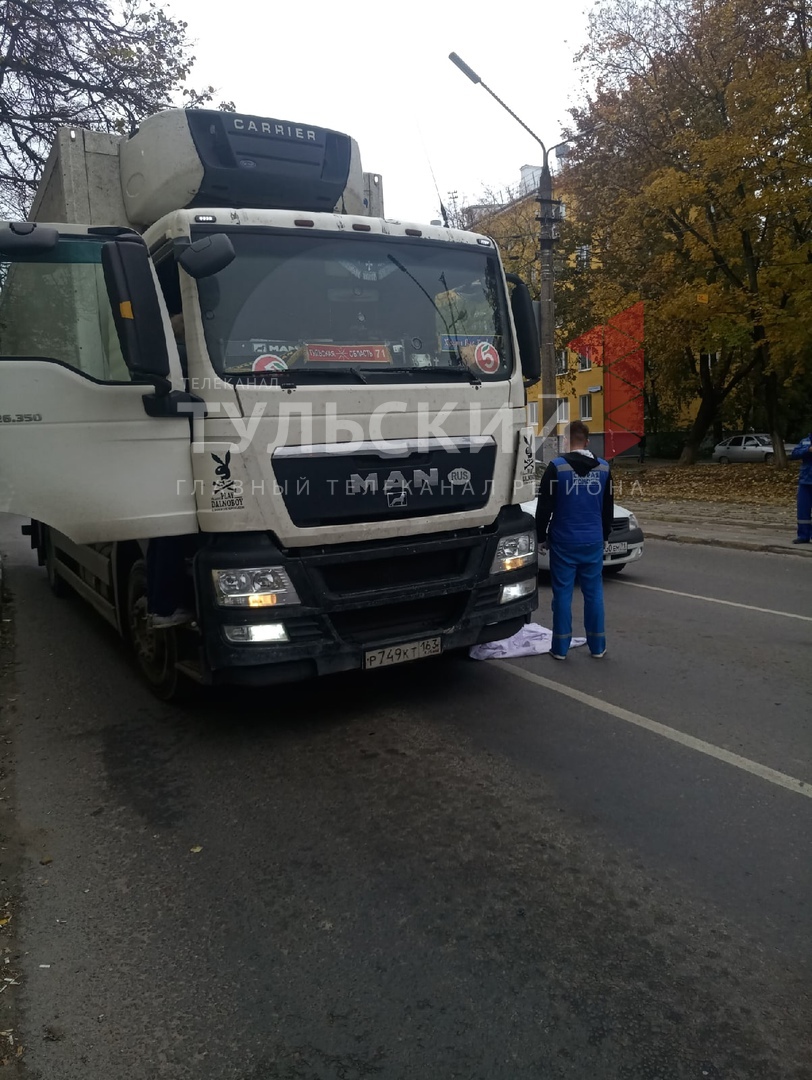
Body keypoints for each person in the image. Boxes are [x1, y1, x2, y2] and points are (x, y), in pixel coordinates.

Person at [535, 421, 614, 660]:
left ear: (566, 442)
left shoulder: (556, 468)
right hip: (592, 541)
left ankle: (560, 648)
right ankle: (598, 646)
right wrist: (605, 536)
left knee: (562, 594)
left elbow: (544, 507)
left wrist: (541, 537)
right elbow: (607, 509)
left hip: (563, 542)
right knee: (594, 594)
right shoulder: (604, 468)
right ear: (587, 442)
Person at [790, 431, 812, 544]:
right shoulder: (805, 441)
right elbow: (794, 454)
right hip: (805, 481)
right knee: (803, 511)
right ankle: (803, 536)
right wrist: (807, 450)